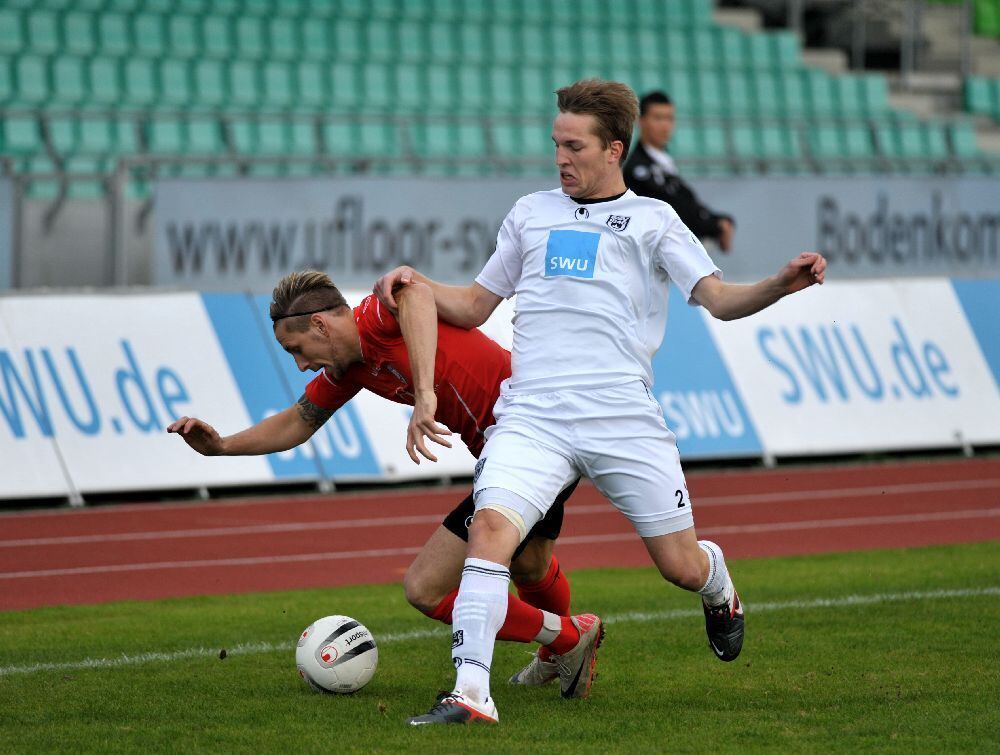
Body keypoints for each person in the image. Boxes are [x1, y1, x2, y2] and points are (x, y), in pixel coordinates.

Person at [375, 79, 826, 727]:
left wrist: (780, 284)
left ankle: (716, 580)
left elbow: (719, 299)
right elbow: (475, 305)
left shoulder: (654, 220)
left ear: (614, 149)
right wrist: (415, 283)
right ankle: (471, 690)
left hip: (623, 420)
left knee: (679, 564)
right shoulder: (530, 212)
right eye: (556, 143)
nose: (560, 156)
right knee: (490, 530)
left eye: (574, 145)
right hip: (533, 416)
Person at [166, 271, 597, 694]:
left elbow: (417, 294)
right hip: (537, 436)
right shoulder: (349, 368)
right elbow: (298, 421)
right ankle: (559, 655)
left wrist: (425, 393)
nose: (300, 365)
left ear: (320, 324)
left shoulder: (376, 316)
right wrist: (221, 446)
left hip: (527, 440)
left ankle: (568, 639)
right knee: (530, 565)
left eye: (297, 349)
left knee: (426, 588)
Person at [623, 90, 736, 252]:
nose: (665, 125)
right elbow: (677, 210)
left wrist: (722, 220)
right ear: (641, 121)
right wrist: (717, 225)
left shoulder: (663, 162)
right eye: (658, 118)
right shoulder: (638, 169)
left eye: (669, 118)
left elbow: (688, 201)